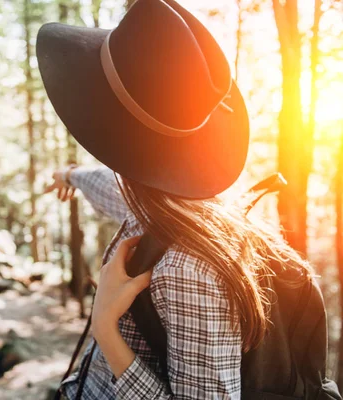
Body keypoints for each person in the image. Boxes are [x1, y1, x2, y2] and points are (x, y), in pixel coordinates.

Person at [37, 0, 320, 398]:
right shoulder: (172, 205)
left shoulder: (187, 269)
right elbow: (113, 189)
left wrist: (106, 328)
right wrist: (71, 176)